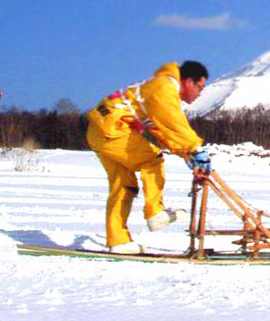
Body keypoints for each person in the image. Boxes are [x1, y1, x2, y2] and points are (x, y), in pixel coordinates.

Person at [86, 61, 213, 254]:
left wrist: (186, 153)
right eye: (200, 87)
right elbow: (174, 123)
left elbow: (161, 128)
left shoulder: (158, 87)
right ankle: (155, 212)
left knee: (124, 185)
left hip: (100, 130)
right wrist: (195, 148)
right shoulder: (165, 87)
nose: (200, 94)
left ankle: (118, 241)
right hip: (114, 129)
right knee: (152, 159)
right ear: (188, 82)